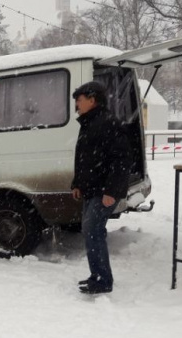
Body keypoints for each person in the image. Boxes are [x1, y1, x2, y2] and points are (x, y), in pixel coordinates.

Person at [70, 81, 131, 295]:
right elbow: (83, 159)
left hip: (103, 191)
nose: (77, 103)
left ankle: (104, 280)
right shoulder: (89, 123)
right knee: (91, 232)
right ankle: (96, 275)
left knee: (92, 230)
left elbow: (121, 160)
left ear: (92, 99)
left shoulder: (108, 123)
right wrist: (77, 183)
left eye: (79, 99)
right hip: (91, 189)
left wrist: (111, 192)